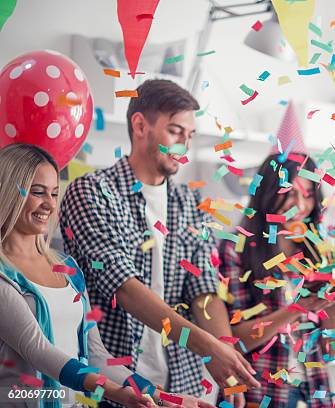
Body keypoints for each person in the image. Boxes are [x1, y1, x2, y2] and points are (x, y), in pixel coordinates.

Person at [59, 79, 259, 406]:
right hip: (115, 384)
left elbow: (203, 287)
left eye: (190, 136)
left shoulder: (188, 202)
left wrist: (226, 356)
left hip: (181, 385)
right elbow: (122, 286)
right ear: (141, 125)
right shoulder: (92, 192)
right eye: (176, 132)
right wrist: (210, 348)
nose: (185, 146)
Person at [0, 143, 210, 408]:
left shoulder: (68, 267)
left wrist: (164, 397)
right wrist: (111, 390)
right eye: (38, 192)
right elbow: (38, 350)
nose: (49, 204)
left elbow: (97, 355)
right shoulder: (4, 275)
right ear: (9, 192)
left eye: (54, 193)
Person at [218, 153, 335, 407]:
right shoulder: (236, 249)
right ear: (267, 192)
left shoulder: (319, 251)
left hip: (313, 391)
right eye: (289, 193)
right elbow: (236, 340)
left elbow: (331, 347)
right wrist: (296, 310)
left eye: (308, 194)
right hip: (257, 394)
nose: (299, 206)